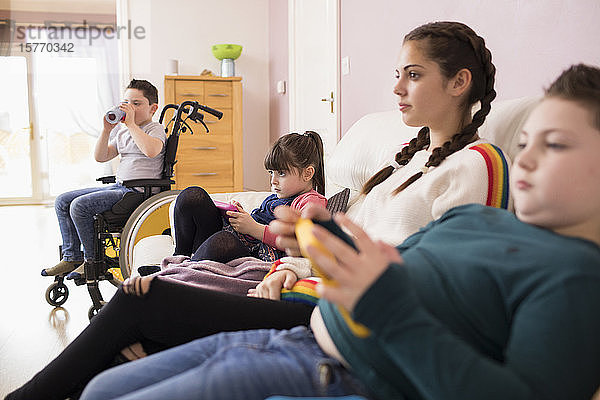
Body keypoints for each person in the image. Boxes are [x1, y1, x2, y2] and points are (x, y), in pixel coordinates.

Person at [5, 21, 506, 400]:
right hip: (308, 292)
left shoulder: (475, 166)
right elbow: (354, 248)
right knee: (135, 324)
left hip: (338, 316)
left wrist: (304, 260)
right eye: (398, 74)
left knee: (145, 301)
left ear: (459, 82)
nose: (397, 88)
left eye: (413, 76)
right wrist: (291, 264)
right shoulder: (402, 164)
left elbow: (440, 279)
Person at [75, 63, 600, 400]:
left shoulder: (574, 276)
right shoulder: (477, 218)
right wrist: (323, 237)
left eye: (553, 145)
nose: (525, 157)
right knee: (101, 390)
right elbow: (385, 264)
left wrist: (387, 307)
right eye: (525, 141)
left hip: (338, 373)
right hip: (291, 336)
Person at [41, 79, 166, 279]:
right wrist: (107, 130)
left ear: (153, 108)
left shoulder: (154, 129)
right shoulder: (124, 131)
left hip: (138, 192)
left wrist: (132, 124)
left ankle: (91, 261)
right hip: (120, 187)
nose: (130, 108)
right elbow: (101, 156)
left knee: (79, 206)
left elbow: (151, 151)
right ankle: (72, 256)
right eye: (127, 102)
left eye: (137, 103)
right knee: (62, 201)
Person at [168, 130, 327, 265]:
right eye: (271, 173)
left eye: (282, 173)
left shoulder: (311, 202)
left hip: (256, 256)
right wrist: (240, 216)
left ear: (308, 173)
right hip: (238, 239)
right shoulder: (275, 198)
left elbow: (303, 240)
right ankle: (179, 258)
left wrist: (254, 228)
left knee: (223, 241)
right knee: (192, 196)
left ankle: (178, 273)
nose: (273, 181)